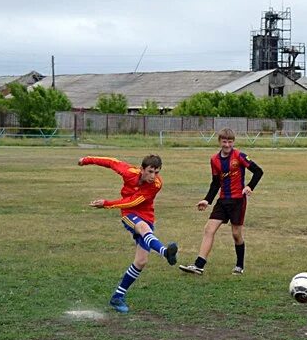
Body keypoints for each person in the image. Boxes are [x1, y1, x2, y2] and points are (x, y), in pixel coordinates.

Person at [80, 155, 178, 313]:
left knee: (141, 261)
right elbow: (111, 162)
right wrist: (87, 160)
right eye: (150, 171)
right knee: (143, 228)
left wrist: (107, 204)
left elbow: (133, 201)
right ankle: (165, 252)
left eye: (157, 172)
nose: (153, 176)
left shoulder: (156, 185)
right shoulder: (129, 172)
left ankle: (117, 297)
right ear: (142, 169)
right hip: (129, 214)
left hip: (145, 214)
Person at [179, 128, 263, 276]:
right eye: (224, 141)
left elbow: (258, 171)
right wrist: (207, 200)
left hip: (238, 201)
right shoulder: (214, 160)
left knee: (236, 234)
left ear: (233, 142)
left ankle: (239, 265)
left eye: (230, 142)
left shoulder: (240, 156)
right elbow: (215, 183)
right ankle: (199, 265)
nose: (227, 145)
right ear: (219, 142)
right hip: (223, 201)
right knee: (209, 229)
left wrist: (249, 186)